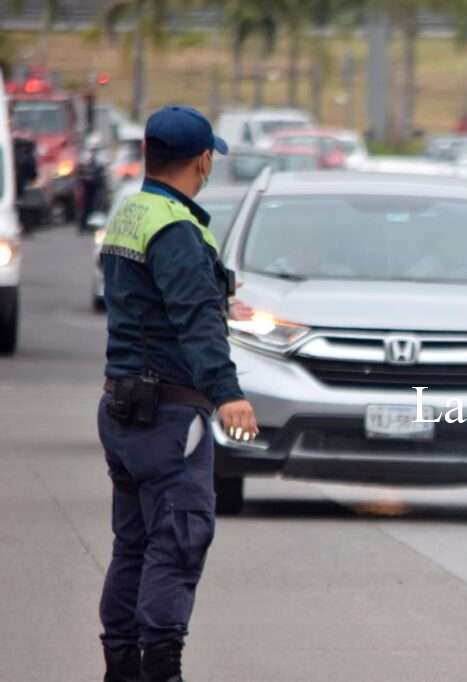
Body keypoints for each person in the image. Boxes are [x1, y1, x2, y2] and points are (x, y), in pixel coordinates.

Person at [96, 105, 258, 682]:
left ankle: (121, 667)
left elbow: (149, 306)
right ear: (203, 160)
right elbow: (194, 323)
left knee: (133, 547)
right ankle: (161, 669)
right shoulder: (177, 228)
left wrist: (216, 300)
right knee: (177, 544)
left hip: (123, 407)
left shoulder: (131, 213)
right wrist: (229, 393)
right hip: (169, 413)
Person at [79, 131, 110, 232]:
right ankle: (84, 225)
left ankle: (93, 225)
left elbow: (105, 167)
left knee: (98, 205)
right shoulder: (85, 155)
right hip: (88, 185)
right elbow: (81, 170)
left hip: (98, 185)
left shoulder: (102, 155)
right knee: (87, 205)